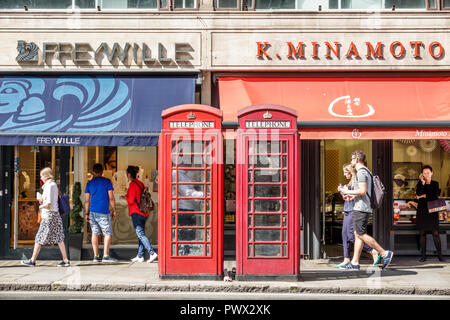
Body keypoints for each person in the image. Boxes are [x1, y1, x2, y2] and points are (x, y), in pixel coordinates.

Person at [338, 150, 394, 270]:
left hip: (361, 208)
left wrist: (346, 191)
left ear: (357, 160)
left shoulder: (361, 172)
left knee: (361, 234)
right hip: (362, 207)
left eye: (352, 159)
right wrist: (352, 195)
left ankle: (384, 253)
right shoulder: (366, 171)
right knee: (357, 234)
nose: (351, 161)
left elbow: (362, 191)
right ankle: (355, 262)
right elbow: (363, 192)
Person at [21, 167, 70, 267]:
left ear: (46, 175)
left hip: (49, 215)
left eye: (42, 176)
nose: (41, 178)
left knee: (39, 237)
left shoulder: (50, 186)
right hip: (54, 214)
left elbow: (49, 203)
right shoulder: (51, 185)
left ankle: (32, 260)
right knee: (59, 238)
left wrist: (40, 206)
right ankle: (65, 260)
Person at [334, 163, 380, 268]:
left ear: (351, 172)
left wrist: (346, 191)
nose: (344, 175)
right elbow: (348, 197)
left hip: (353, 210)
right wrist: (343, 192)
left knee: (352, 235)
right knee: (344, 235)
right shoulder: (350, 182)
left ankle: (372, 251)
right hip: (346, 209)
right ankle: (346, 259)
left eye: (346, 172)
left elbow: (357, 195)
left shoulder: (356, 181)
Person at [85, 163, 117, 263]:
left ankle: (96, 256)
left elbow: (87, 200)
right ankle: (106, 256)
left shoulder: (89, 183)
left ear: (93, 172)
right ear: (102, 171)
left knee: (95, 233)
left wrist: (86, 213)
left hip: (92, 212)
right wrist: (114, 210)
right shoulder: (107, 182)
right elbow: (111, 198)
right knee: (107, 233)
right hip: (103, 211)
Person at [126, 165, 158, 263]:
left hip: (136, 212)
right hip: (143, 212)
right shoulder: (140, 183)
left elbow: (131, 200)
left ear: (129, 174)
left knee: (140, 234)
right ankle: (140, 256)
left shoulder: (132, 184)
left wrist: (126, 196)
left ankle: (152, 253)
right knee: (140, 234)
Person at [416, 165, 445, 262]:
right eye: (424, 173)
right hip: (422, 211)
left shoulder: (435, 184)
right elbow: (418, 195)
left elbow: (434, 196)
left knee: (435, 233)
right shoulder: (420, 183)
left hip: (432, 211)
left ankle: (440, 256)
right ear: (422, 174)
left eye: (428, 173)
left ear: (432, 173)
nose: (426, 175)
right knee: (422, 233)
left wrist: (424, 195)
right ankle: (423, 256)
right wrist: (423, 184)